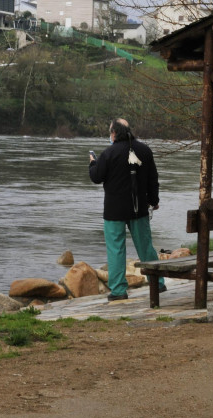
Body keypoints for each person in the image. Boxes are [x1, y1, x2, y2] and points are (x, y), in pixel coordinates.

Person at [89, 118, 166, 301]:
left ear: (114, 133)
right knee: (146, 247)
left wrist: (92, 163)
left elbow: (96, 177)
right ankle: (158, 282)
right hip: (138, 208)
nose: (110, 135)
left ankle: (118, 290)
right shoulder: (144, 150)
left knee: (116, 249)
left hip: (114, 211)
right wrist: (154, 201)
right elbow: (152, 179)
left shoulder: (109, 153)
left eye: (110, 132)